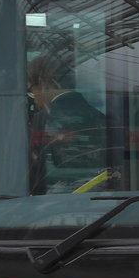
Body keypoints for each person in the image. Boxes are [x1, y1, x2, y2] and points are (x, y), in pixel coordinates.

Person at [27, 55, 107, 192]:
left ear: (42, 83)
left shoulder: (42, 120)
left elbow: (36, 173)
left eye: (31, 90)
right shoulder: (100, 117)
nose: (33, 99)